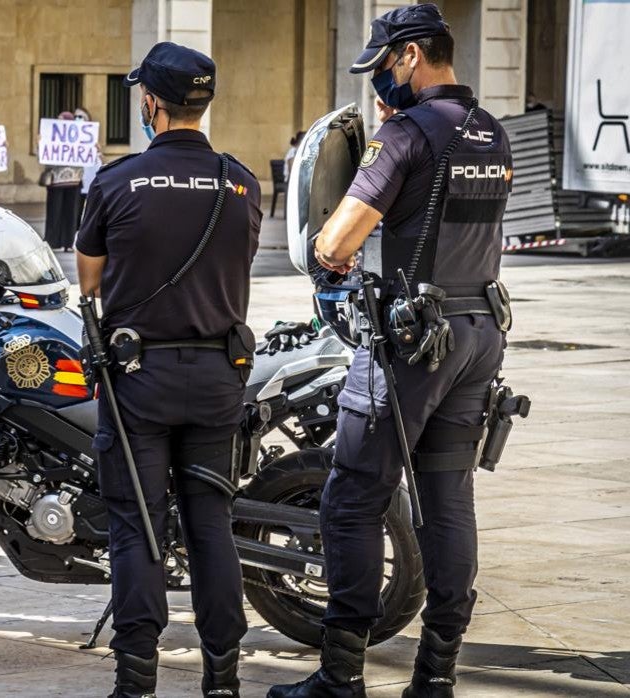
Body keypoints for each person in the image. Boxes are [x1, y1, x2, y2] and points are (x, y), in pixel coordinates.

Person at [268, 6, 513, 697]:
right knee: (447, 502)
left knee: (350, 499)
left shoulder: (405, 135)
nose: (379, 77)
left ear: (410, 57)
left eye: (382, 63)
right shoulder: (494, 134)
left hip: (412, 345)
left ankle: (340, 676)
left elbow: (339, 241)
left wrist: (324, 252)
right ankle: (435, 678)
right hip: (478, 337)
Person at [76, 41, 261, 698]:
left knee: (138, 525)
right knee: (211, 523)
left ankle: (136, 682)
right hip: (217, 380)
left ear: (150, 102)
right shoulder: (242, 181)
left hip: (140, 382)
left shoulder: (116, 181)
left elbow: (90, 282)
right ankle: (222, 680)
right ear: (201, 103)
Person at [42, 111, 83, 252]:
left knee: (71, 213)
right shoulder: (50, 137)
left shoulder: (80, 137)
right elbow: (43, 157)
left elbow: (90, 157)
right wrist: (40, 144)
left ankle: (68, 242)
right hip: (56, 181)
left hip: (74, 180)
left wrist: (95, 149)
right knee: (54, 211)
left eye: (62, 120)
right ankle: (52, 241)